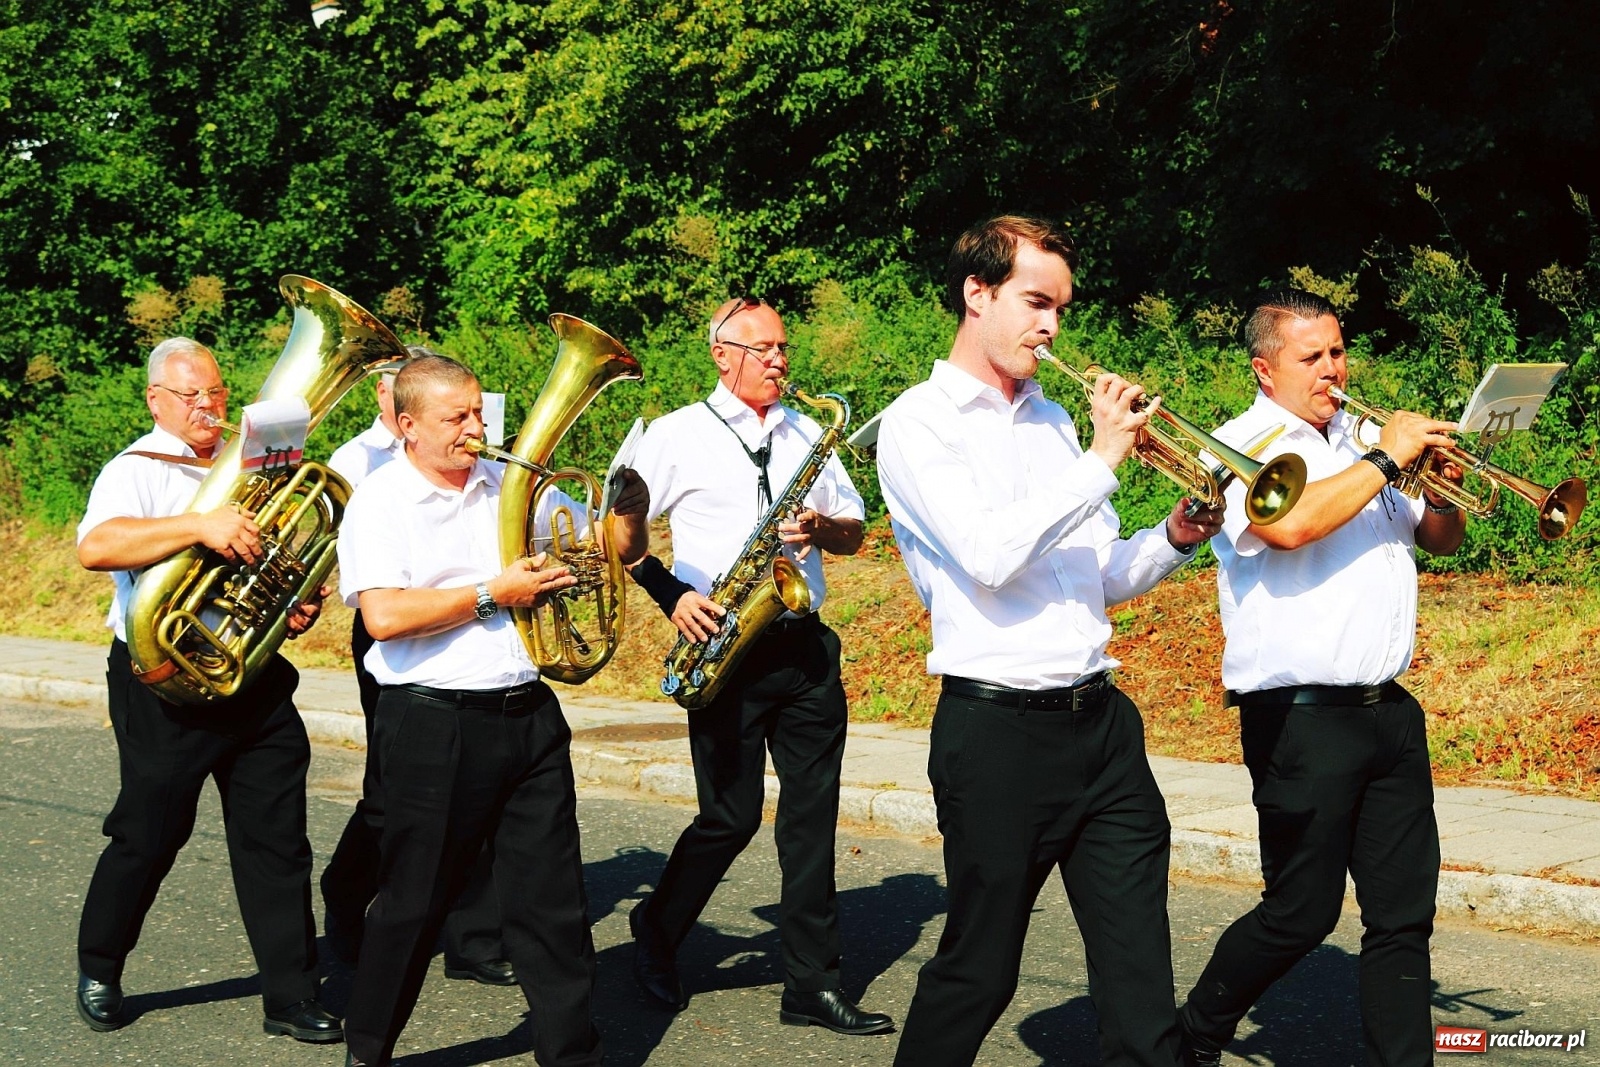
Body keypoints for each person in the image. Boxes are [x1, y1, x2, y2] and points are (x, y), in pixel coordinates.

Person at [875, 215, 1225, 1067]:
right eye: (1037, 303)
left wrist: (1176, 535)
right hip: (998, 734)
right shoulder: (917, 424)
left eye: (1062, 308)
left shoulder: (1052, 422)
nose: (1053, 327)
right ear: (977, 292)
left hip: (1101, 727)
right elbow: (991, 556)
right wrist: (1105, 457)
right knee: (981, 971)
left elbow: (1094, 575)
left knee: (1142, 985)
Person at [336, 352, 649, 1067]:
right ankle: (368, 1049)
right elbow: (383, 615)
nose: (476, 429)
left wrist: (628, 512)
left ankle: (571, 1052)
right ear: (406, 425)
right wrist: (491, 592)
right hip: (432, 720)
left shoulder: (513, 486)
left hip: (529, 713)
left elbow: (611, 553)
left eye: (479, 412)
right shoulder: (381, 500)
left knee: (554, 902)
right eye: (458, 418)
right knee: (413, 902)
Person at [1177, 289, 1464, 1067]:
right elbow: (1290, 524)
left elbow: (1439, 538)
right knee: (1300, 914)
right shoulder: (1236, 445)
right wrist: (1387, 459)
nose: (1332, 370)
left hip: (1389, 711)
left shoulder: (1359, 440)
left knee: (1403, 916)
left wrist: (1436, 486)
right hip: (1300, 719)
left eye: (1337, 350)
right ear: (1265, 369)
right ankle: (1196, 1030)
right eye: (1313, 357)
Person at [624, 296, 893, 1036]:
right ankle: (657, 928)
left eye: (783, 346)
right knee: (730, 816)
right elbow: (615, 533)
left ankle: (811, 982)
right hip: (722, 642)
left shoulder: (810, 430)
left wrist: (824, 525)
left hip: (801, 641)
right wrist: (671, 593)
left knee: (811, 821)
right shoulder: (677, 435)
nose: (780, 359)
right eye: (763, 347)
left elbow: (854, 534)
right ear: (722, 354)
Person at [73, 336, 341, 1043]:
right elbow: (96, 547)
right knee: (148, 832)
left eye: (217, 394)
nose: (208, 407)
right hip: (161, 680)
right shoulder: (134, 468)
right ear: (156, 400)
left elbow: (273, 557)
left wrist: (293, 598)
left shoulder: (252, 468)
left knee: (278, 841)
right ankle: (99, 963)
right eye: (191, 396)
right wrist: (199, 523)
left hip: (248, 673)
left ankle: (290, 994)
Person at [319, 348, 511, 986]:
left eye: (474, 411)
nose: (473, 425)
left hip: (483, 639)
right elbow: (336, 549)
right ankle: (348, 894)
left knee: (484, 788)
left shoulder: (474, 453)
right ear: (397, 405)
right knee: (394, 792)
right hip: (397, 627)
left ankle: (474, 937)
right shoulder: (358, 462)